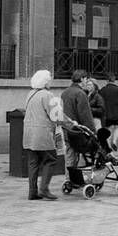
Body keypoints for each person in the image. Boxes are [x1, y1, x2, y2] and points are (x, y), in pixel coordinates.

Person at [22, 70, 77, 200]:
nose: (50, 82)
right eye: (49, 80)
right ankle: (44, 189)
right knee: (50, 159)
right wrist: (71, 124)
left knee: (33, 162)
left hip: (29, 134)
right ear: (46, 82)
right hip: (42, 134)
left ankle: (32, 191)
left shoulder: (31, 94)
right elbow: (57, 116)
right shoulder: (47, 95)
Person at [58, 70, 96, 194]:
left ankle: (69, 179)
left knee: (69, 153)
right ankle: (83, 179)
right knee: (85, 154)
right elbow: (85, 115)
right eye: (86, 80)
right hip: (78, 131)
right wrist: (92, 131)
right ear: (82, 79)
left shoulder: (65, 93)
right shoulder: (80, 94)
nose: (87, 82)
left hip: (67, 129)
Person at [98, 75, 118, 149]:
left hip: (106, 114)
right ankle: (114, 141)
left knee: (107, 130)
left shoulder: (103, 90)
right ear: (114, 80)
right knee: (117, 127)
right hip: (116, 113)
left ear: (107, 80)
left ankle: (108, 145)